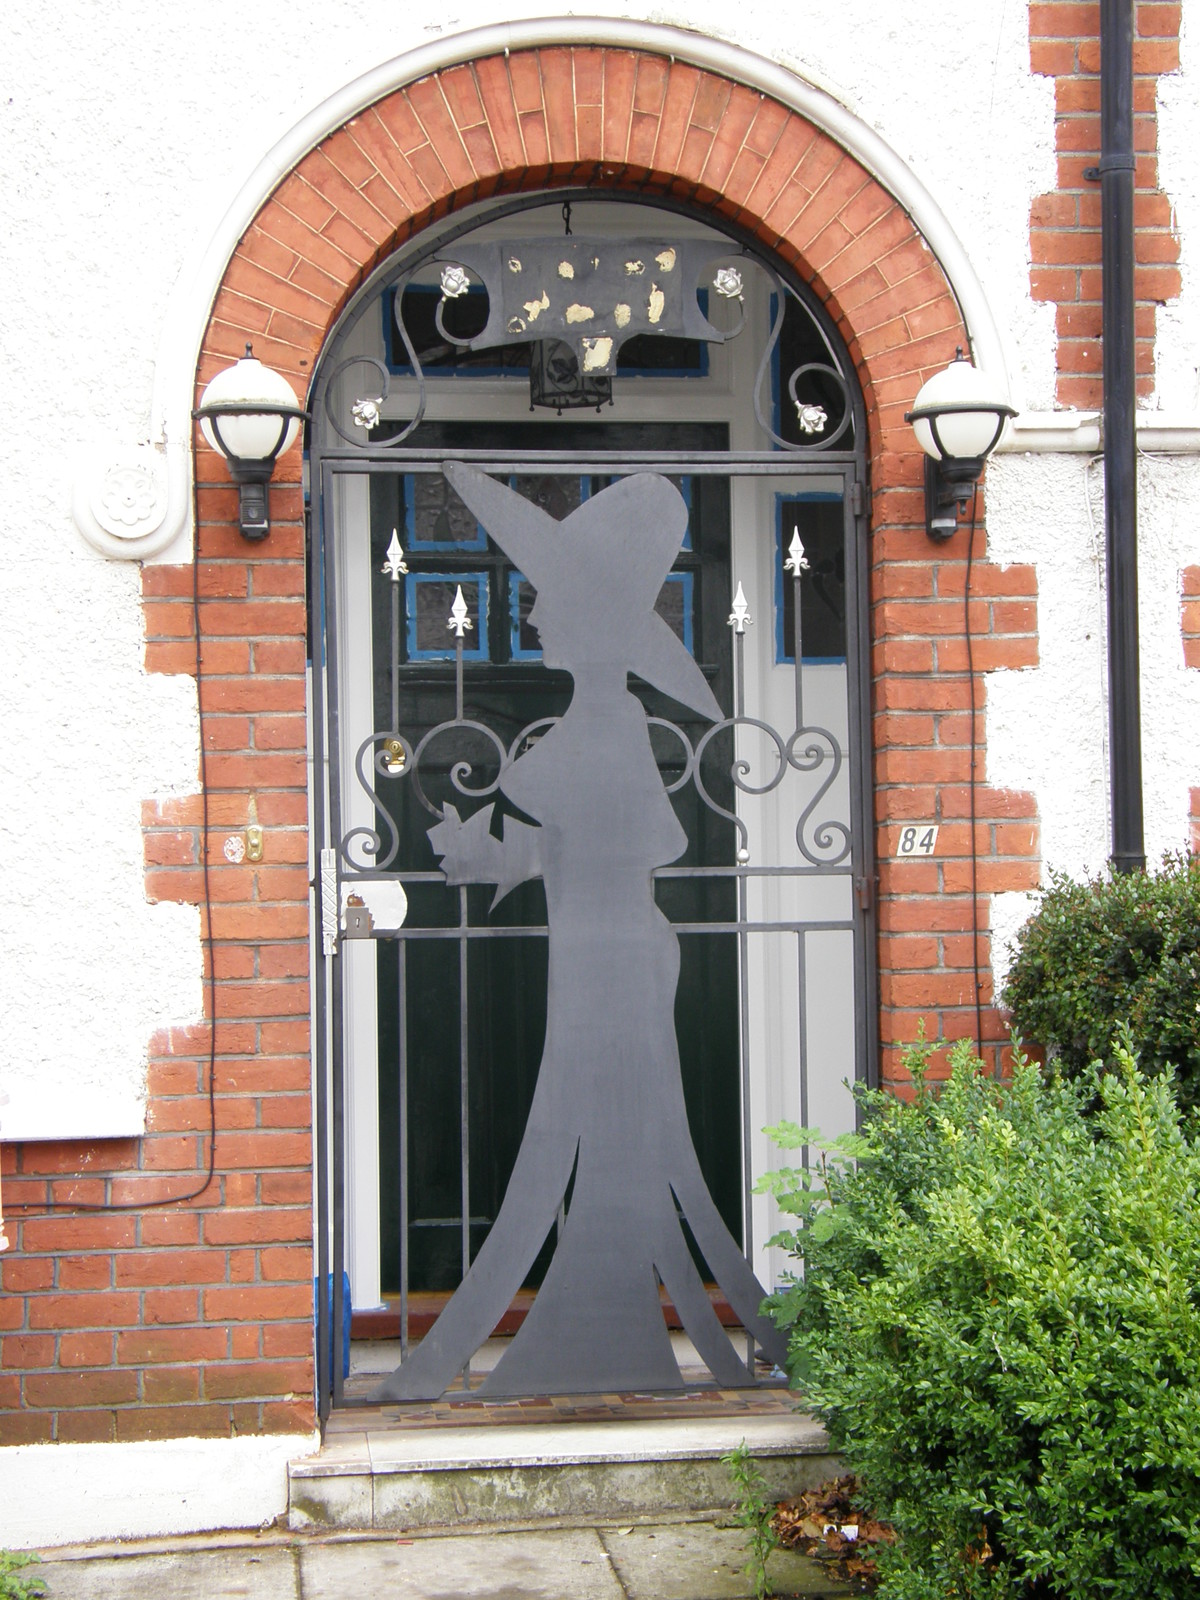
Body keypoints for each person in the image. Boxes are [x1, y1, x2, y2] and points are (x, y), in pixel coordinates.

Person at [374, 463, 785, 1402]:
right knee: (591, 1143)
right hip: (594, 952)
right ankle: (608, 1332)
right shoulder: (593, 725)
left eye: (545, 601)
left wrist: (528, 847)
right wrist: (486, 856)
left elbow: (655, 835)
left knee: (584, 1142)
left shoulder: (605, 722)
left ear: (593, 619)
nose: (529, 619)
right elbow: (558, 851)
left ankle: (505, 1348)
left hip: (618, 960)